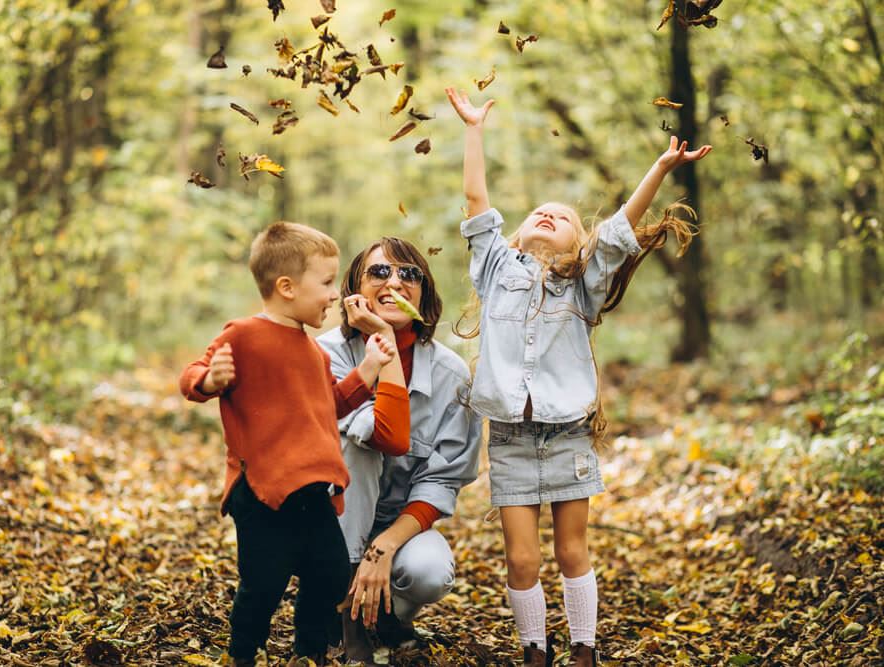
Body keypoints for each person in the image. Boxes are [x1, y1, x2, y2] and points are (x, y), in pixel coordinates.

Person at [446, 87, 712, 667]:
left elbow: (621, 226)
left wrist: (662, 167)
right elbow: (473, 197)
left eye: (564, 217)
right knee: (521, 560)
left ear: (579, 243)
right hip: (512, 438)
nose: (550, 214)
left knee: (572, 550)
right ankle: (534, 651)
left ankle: (584, 649)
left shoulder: (585, 285)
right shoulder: (495, 267)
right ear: (515, 235)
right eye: (540, 212)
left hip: (567, 433)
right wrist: (473, 128)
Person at [178, 221, 398, 666]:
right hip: (261, 490)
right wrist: (210, 379)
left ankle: (308, 651)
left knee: (332, 573)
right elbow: (190, 376)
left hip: (314, 489)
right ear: (286, 287)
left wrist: (370, 369)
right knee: (263, 582)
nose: (335, 294)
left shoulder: (314, 351)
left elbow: (329, 405)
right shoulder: (242, 335)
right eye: (327, 282)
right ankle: (243, 653)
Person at [316, 237, 482, 662]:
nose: (395, 281)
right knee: (360, 447)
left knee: (430, 574)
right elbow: (384, 437)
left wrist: (386, 545)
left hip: (398, 522)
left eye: (409, 274)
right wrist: (384, 338)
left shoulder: (452, 374)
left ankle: (389, 615)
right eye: (379, 272)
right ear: (355, 289)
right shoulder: (325, 355)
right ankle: (347, 619)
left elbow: (443, 480)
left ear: (423, 297)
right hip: (329, 522)